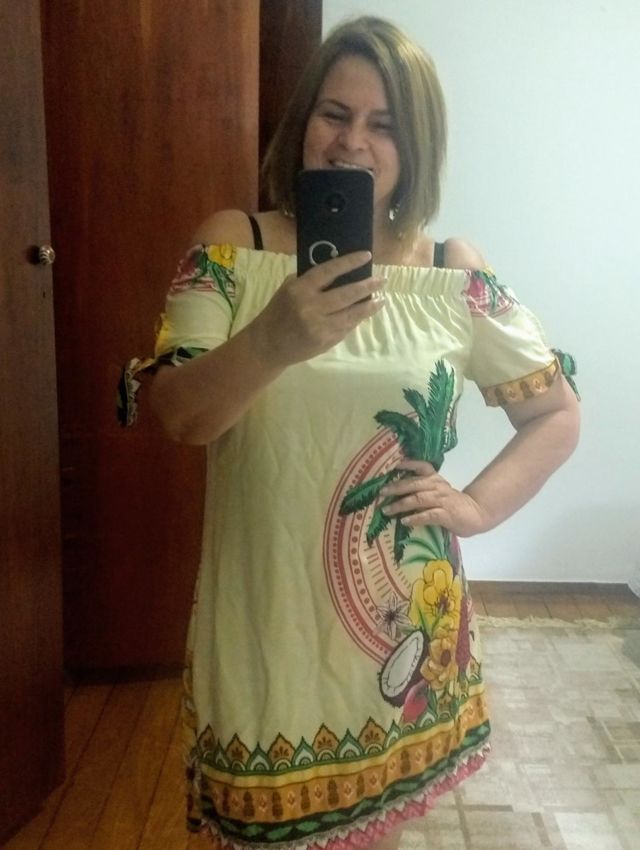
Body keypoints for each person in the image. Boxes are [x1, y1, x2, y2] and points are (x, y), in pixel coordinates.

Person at [119, 15, 580, 850]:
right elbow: (181, 417)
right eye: (334, 114)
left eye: (384, 125)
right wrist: (273, 339)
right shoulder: (234, 246)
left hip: (401, 638)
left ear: (417, 145)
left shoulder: (450, 273)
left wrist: (476, 508)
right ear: (304, 124)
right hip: (266, 628)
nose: (351, 142)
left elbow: (555, 414)